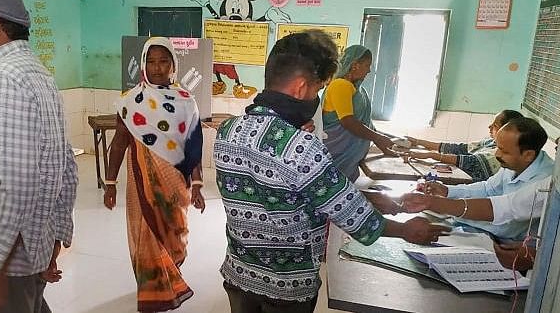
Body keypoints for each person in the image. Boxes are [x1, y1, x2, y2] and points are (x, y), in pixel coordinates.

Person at [214, 30, 449, 313]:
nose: (315, 98)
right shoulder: (300, 147)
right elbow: (352, 216)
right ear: (301, 88)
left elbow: (278, 188)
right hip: (286, 287)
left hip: (239, 274)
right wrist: (405, 230)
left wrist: (370, 197)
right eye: (316, 90)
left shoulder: (227, 130)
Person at [0, 0, 78, 312]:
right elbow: (66, 168)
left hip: (0, 263)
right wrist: (55, 236)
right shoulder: (37, 74)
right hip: (25, 255)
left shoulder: (3, 79)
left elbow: (19, 184)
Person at [103, 37, 205, 312]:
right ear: (143, 64)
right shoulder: (130, 101)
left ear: (173, 64)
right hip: (141, 183)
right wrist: (110, 182)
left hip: (176, 184)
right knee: (145, 231)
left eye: (163, 61)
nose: (157, 68)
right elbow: (120, 142)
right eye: (151, 61)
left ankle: (170, 270)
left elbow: (193, 144)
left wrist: (197, 183)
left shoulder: (186, 102)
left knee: (176, 233)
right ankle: (153, 287)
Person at [415, 117, 553, 241]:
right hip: (488, 233)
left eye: (504, 151)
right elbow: (488, 188)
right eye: (498, 147)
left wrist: (448, 208)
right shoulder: (515, 162)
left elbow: (506, 227)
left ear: (528, 155)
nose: (498, 154)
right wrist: (447, 191)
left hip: (506, 245)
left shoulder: (545, 182)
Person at [401, 175, 551, 272]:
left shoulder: (545, 173)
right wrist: (432, 202)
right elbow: (507, 206)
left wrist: (541, 258)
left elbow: (508, 223)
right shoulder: (552, 182)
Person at [321, 45, 396, 181]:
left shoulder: (359, 91)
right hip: (337, 150)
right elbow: (348, 121)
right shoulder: (340, 85)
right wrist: (377, 138)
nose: (369, 70)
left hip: (348, 154)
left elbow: (366, 123)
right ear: (355, 65)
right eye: (367, 65)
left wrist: (381, 143)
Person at [406, 109, 523, 181]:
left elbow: (471, 162)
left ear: (506, 130)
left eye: (495, 125)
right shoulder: (491, 142)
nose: (489, 127)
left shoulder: (500, 153)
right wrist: (418, 142)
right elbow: (460, 148)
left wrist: (431, 155)